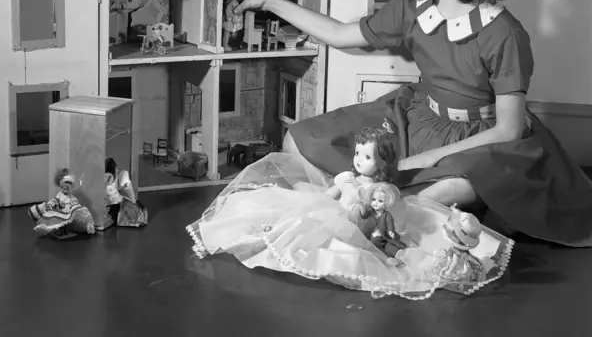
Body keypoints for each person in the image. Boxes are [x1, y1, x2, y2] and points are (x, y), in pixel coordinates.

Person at [234, 0, 592, 247]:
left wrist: (427, 157)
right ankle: (364, 207)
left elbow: (508, 129)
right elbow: (340, 34)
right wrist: (267, 1)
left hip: (484, 139)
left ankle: (420, 212)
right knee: (299, 141)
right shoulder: (413, 7)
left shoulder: (502, 32)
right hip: (420, 116)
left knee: (442, 190)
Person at [186, 124, 514, 299]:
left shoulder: (383, 191)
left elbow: (386, 216)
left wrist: (370, 206)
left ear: (383, 163)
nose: (359, 160)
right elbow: (330, 194)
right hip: (339, 216)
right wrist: (324, 201)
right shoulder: (347, 178)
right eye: (358, 153)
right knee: (297, 224)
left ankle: (389, 255)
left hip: (366, 227)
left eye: (367, 157)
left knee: (379, 243)